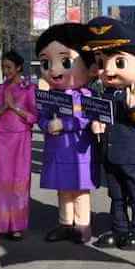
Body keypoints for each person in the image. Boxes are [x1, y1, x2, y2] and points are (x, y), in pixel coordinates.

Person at [85, 17, 135, 252]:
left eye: (118, 62)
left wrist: (132, 107)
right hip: (111, 154)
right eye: (103, 61)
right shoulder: (106, 93)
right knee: (116, 197)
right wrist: (96, 124)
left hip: (134, 155)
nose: (107, 69)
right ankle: (120, 229)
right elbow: (100, 115)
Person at [36, 23, 98, 244]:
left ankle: (82, 225)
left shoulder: (86, 94)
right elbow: (40, 115)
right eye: (46, 63)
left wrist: (66, 124)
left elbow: (87, 117)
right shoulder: (50, 94)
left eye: (65, 62)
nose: (54, 69)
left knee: (80, 188)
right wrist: (46, 124)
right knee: (63, 187)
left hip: (79, 147)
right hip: (57, 147)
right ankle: (65, 222)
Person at [0, 50, 37, 241]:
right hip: (1, 139)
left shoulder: (28, 89)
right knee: (1, 181)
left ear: (18, 68)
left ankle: (17, 225)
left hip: (21, 139)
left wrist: (15, 108)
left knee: (19, 182)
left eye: (9, 67)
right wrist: (3, 108)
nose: (6, 71)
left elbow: (35, 116)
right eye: (3, 67)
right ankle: (2, 223)